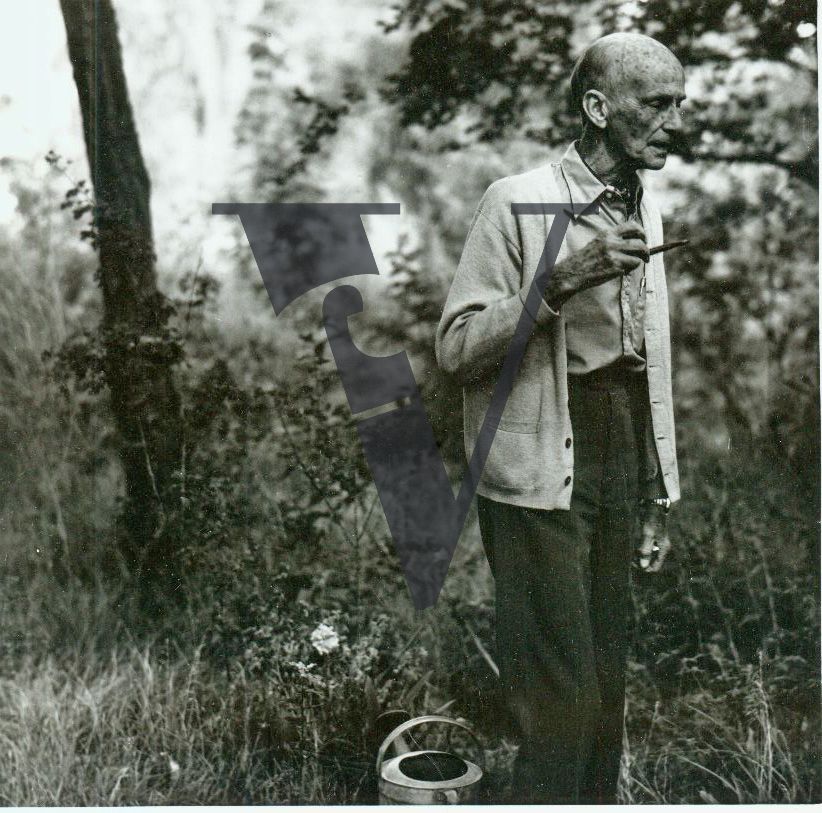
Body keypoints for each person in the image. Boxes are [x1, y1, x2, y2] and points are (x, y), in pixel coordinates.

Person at [435, 32, 685, 804]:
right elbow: (456, 348)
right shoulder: (515, 201)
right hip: (538, 462)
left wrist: (656, 494)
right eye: (657, 104)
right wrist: (558, 280)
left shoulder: (641, 202)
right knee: (560, 696)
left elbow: (645, 369)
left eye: (680, 103)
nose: (675, 121)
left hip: (616, 452)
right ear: (598, 108)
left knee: (606, 688)